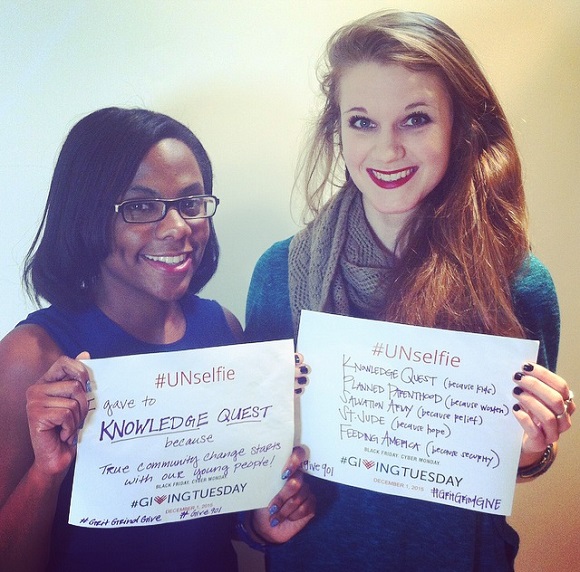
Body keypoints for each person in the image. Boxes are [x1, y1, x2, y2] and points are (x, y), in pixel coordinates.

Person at [245, 10, 574, 572]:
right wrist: (262, 518)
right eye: (363, 122)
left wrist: (531, 448)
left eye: (415, 119)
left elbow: (507, 463)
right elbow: (258, 454)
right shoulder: (281, 274)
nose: (388, 150)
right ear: (338, 130)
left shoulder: (519, 283)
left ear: (460, 125)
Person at [0, 107, 314, 572]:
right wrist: (47, 472)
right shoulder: (32, 355)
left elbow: (212, 503)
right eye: (141, 206)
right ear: (88, 216)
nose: (178, 227)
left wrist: (261, 524)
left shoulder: (223, 331)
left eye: (191, 202)